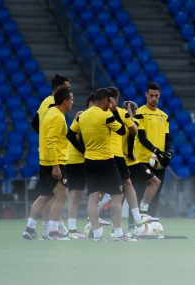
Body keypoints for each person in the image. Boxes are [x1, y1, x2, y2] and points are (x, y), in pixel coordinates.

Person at [68, 88, 132, 241]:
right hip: (107, 161)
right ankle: (118, 234)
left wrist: (84, 150)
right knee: (117, 197)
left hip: (89, 161)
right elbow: (123, 131)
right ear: (105, 101)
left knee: (93, 197)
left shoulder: (82, 116)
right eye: (109, 101)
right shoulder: (106, 115)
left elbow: (70, 134)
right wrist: (115, 110)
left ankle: (97, 234)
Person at [23, 86, 73, 240]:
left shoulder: (51, 113)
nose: (72, 102)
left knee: (45, 196)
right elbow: (51, 142)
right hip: (54, 162)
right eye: (71, 99)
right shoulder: (57, 117)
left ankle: (30, 228)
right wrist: (56, 166)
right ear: (65, 101)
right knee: (62, 194)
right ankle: (53, 232)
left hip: (46, 161)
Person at [106, 87, 150, 232]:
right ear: (115, 99)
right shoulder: (121, 113)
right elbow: (133, 132)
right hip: (117, 156)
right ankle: (136, 219)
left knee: (103, 194)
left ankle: (103, 227)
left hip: (100, 157)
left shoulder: (98, 114)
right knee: (124, 189)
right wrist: (129, 117)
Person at [132, 82, 171, 216]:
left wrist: (169, 152)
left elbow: (167, 137)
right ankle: (134, 226)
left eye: (156, 96)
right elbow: (141, 137)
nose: (154, 98)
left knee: (156, 194)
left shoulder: (164, 116)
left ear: (159, 96)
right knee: (139, 193)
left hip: (158, 161)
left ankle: (151, 223)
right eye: (151, 95)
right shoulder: (140, 113)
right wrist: (156, 150)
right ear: (146, 95)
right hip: (143, 159)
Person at [123, 100, 161, 232]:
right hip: (125, 162)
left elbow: (132, 130)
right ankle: (116, 228)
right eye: (135, 110)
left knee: (155, 181)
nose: (137, 113)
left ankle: (143, 211)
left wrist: (128, 113)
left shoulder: (135, 123)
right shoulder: (119, 124)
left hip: (133, 162)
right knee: (121, 195)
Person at [63, 93, 94, 238]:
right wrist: (84, 151)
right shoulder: (82, 116)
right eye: (92, 105)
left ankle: (91, 223)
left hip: (86, 160)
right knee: (75, 195)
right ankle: (71, 229)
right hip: (75, 160)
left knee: (95, 192)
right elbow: (72, 136)